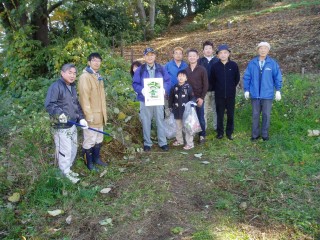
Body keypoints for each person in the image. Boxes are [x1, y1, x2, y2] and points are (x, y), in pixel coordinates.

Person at [45, 63, 88, 184]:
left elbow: (76, 105)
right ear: (62, 73)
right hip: (61, 126)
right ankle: (64, 173)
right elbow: (49, 104)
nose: (72, 75)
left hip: (72, 124)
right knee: (65, 150)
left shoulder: (72, 87)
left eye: (74, 73)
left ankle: (67, 170)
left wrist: (81, 118)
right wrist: (60, 114)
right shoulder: (56, 86)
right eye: (70, 72)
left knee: (73, 148)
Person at [132, 47, 171, 152]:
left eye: (152, 55)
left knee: (160, 120)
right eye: (147, 55)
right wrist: (142, 90)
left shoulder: (160, 68)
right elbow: (135, 84)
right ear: (144, 57)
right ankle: (147, 143)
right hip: (145, 100)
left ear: (155, 56)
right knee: (146, 121)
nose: (150, 57)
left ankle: (162, 142)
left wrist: (164, 89)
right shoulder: (140, 70)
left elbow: (167, 81)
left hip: (158, 99)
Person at [243, 41, 282, 141]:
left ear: (268, 50)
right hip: (255, 95)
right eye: (261, 48)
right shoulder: (252, 63)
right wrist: (246, 90)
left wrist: (278, 90)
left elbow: (277, 77)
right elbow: (247, 77)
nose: (263, 50)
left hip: (267, 95)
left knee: (266, 115)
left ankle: (265, 135)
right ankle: (255, 135)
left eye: (265, 48)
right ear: (258, 50)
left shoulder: (272, 63)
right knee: (255, 115)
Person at [78, 52, 108, 171]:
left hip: (100, 115)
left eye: (98, 60)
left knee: (98, 139)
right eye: (94, 60)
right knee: (89, 140)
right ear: (89, 62)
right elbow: (84, 98)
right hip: (91, 116)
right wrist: (88, 116)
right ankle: (89, 164)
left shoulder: (97, 76)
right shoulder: (85, 77)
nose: (97, 62)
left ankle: (96, 159)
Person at [210, 44, 240, 140]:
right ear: (217, 55)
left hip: (231, 95)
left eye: (225, 53)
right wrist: (218, 88)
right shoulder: (215, 66)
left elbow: (237, 79)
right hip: (219, 95)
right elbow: (212, 80)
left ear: (229, 54)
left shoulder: (234, 65)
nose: (223, 55)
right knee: (220, 114)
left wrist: (231, 87)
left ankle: (229, 132)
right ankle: (220, 133)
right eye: (221, 53)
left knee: (230, 114)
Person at [169, 69, 196, 150]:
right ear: (177, 77)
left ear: (186, 78)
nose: (181, 78)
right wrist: (170, 106)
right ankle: (179, 140)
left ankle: (190, 143)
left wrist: (192, 104)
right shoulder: (174, 87)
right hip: (177, 110)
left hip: (186, 111)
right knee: (178, 126)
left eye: (183, 76)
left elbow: (192, 97)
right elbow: (171, 98)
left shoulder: (188, 87)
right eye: (179, 76)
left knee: (187, 127)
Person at [185, 49, 208, 144]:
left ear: (197, 57)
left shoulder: (202, 69)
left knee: (200, 117)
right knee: (190, 117)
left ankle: (202, 135)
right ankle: (191, 135)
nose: (192, 57)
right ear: (188, 58)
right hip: (189, 98)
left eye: (194, 55)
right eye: (190, 56)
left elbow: (206, 84)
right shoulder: (185, 70)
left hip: (199, 97)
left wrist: (202, 98)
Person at [198, 40, 219, 131]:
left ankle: (217, 127)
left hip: (216, 90)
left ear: (212, 50)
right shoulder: (199, 61)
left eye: (210, 48)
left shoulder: (217, 61)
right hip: (204, 91)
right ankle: (203, 129)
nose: (208, 50)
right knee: (204, 111)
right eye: (206, 49)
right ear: (203, 51)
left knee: (216, 110)